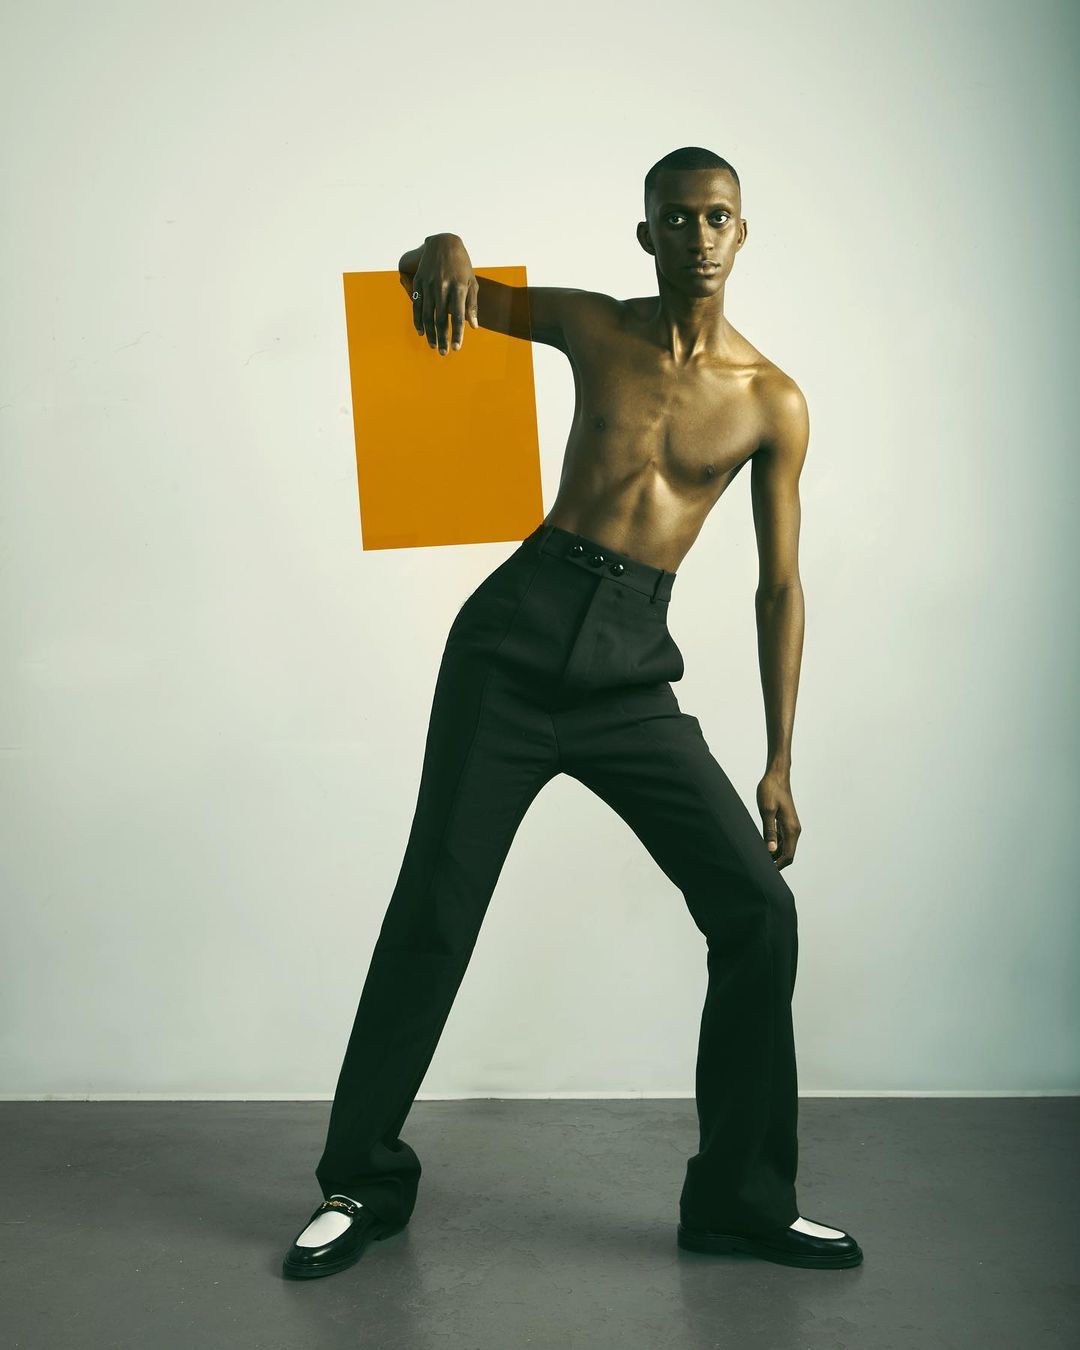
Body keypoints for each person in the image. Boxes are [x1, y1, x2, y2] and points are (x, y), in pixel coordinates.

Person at [282, 146, 863, 1280]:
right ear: (647, 235)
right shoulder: (596, 326)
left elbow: (779, 587)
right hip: (509, 646)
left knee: (756, 910)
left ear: (743, 233)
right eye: (678, 218)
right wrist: (442, 248)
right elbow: (450, 290)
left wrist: (780, 759)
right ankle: (359, 1182)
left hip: (630, 672)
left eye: (719, 217)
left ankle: (739, 1200)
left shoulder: (771, 401)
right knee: (436, 909)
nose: (699, 236)